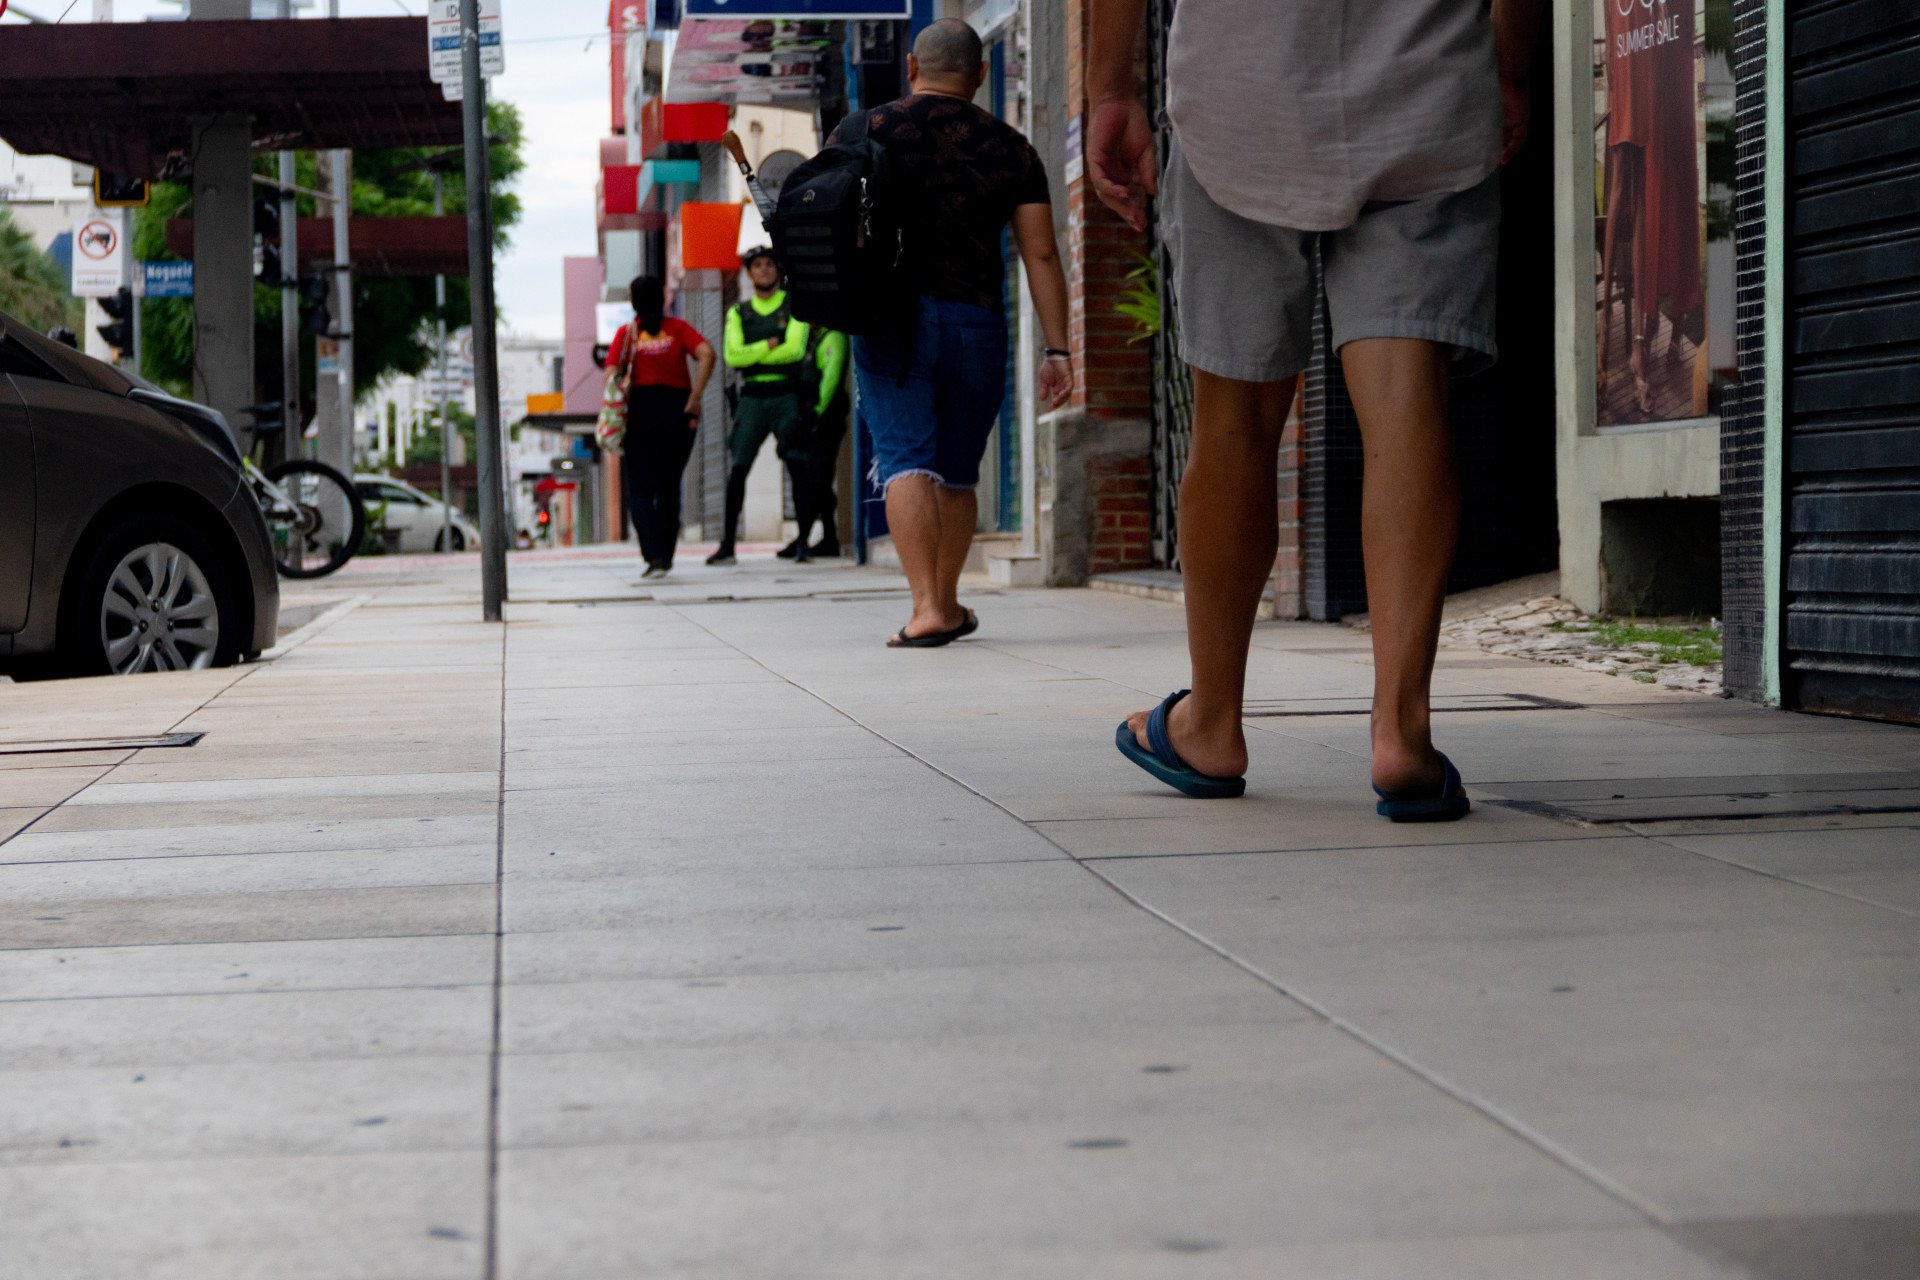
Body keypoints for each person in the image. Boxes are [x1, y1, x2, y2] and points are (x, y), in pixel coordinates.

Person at [1090, 0, 1540, 816]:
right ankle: (1401, 729)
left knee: (1235, 420)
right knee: (1407, 403)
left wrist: (1109, 90)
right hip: (1427, 78)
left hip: (1240, 92)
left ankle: (1212, 723)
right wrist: (1507, 67)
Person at [835, 18, 1073, 647]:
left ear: (912, 66)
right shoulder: (1012, 147)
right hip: (976, 321)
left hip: (890, 320)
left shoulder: (866, 131)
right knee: (958, 471)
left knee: (906, 458)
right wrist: (1059, 348)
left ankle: (926, 608)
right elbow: (1042, 255)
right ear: (981, 74)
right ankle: (947, 600)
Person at [710, 246, 814, 566]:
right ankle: (727, 544)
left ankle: (803, 542)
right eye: (758, 265)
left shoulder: (793, 305)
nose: (765, 269)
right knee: (738, 470)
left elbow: (795, 350)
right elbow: (733, 356)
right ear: (749, 272)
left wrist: (755, 352)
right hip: (752, 396)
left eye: (770, 264)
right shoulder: (737, 313)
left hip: (787, 394)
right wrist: (769, 344)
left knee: (797, 466)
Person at [605, 275, 715, 578]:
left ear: (633, 302)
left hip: (640, 415)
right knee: (669, 486)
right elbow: (707, 353)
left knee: (639, 489)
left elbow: (611, 373)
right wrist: (695, 396)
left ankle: (653, 557)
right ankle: (665, 556)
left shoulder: (627, 334)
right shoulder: (677, 329)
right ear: (662, 297)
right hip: (677, 412)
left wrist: (620, 384)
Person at [777, 324, 849, 561]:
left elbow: (832, 376)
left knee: (820, 478)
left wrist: (816, 413)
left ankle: (816, 539)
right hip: (808, 420)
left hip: (824, 421)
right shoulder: (809, 338)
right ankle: (814, 538)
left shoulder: (833, 336)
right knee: (813, 480)